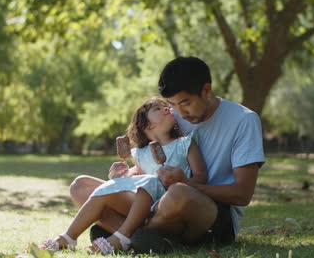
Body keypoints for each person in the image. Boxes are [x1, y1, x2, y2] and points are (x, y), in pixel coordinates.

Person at [70, 56, 265, 251]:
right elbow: (150, 170)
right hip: (156, 204)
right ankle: (137, 238)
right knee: (81, 186)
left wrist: (186, 183)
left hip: (210, 213)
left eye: (185, 103)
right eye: (172, 104)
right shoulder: (173, 117)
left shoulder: (243, 120)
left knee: (178, 192)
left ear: (206, 90)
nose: (179, 113)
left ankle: (119, 232)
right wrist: (125, 178)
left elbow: (242, 194)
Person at [40, 98, 207, 254]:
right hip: (140, 207)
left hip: (165, 208)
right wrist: (120, 177)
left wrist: (182, 181)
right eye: (158, 108)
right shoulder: (140, 154)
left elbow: (201, 178)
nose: (167, 108)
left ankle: (122, 236)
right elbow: (135, 180)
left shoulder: (185, 144)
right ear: (146, 125)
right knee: (80, 184)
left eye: (166, 106)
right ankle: (69, 237)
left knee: (149, 181)